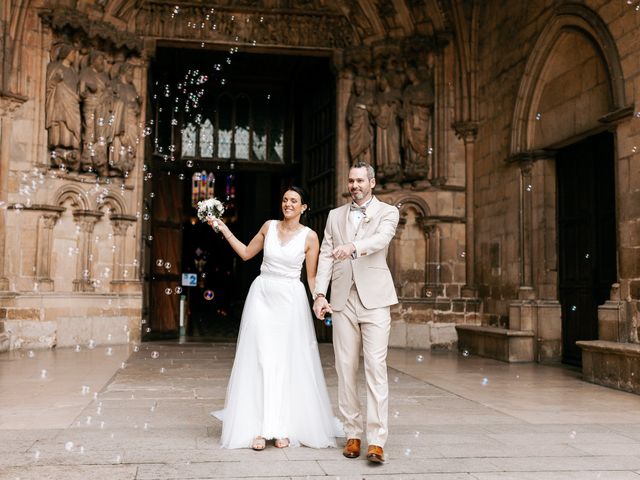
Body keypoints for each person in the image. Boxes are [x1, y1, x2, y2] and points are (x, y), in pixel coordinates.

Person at [210, 187, 341, 450]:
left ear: (304, 207)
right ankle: (258, 428)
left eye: (294, 201)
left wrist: (319, 297)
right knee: (259, 358)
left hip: (290, 301)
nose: (288, 204)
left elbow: (312, 277)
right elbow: (247, 253)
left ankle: (281, 427)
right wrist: (224, 229)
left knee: (285, 361)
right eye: (284, 199)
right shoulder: (268, 227)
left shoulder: (310, 237)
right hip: (262, 296)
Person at [312, 162, 399, 463]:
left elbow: (381, 240)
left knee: (376, 367)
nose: (355, 185)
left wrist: (353, 247)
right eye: (351, 180)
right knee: (345, 367)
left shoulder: (388, 212)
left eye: (360, 180)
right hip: (342, 299)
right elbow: (325, 254)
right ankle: (353, 433)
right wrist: (320, 294)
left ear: (372, 183)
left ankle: (376, 440)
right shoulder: (335, 216)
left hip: (375, 299)